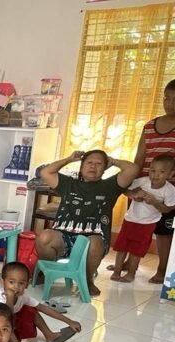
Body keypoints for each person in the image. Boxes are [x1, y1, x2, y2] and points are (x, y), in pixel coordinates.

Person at [36, 150, 139, 296]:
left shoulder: (111, 186)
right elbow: (46, 172)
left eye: (99, 164)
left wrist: (113, 160)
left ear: (105, 168)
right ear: (82, 165)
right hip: (64, 238)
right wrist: (69, 159)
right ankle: (48, 272)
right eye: (89, 163)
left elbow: (133, 169)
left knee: (94, 242)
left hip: (93, 241)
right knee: (44, 236)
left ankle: (87, 280)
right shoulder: (68, 184)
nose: (93, 167)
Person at [114, 80, 175, 284]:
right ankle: (129, 264)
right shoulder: (150, 126)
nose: (170, 103)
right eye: (167, 98)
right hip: (145, 185)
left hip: (168, 189)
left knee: (164, 232)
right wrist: (134, 184)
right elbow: (140, 156)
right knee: (136, 226)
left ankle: (162, 270)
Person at [0, 262, 82, 342]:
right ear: (2, 282)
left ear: (27, 285)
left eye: (21, 283)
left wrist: (69, 321)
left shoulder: (23, 296)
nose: (16, 287)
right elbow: (6, 318)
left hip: (9, 323)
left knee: (31, 310)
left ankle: (50, 335)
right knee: (5, 326)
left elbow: (44, 308)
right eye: (11, 282)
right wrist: (9, 298)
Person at [111, 155, 175, 283]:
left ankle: (131, 273)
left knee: (136, 250)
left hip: (147, 224)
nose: (155, 175)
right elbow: (125, 190)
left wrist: (154, 202)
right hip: (130, 220)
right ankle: (116, 271)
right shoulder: (142, 181)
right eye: (152, 170)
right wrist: (134, 195)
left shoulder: (170, 190)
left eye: (161, 172)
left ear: (170, 174)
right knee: (121, 247)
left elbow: (167, 209)